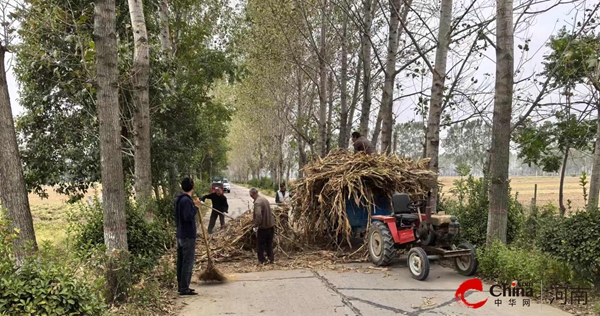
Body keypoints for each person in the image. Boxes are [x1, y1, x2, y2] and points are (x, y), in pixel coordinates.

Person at [174, 177, 200, 296]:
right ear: (192, 187)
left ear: (182, 187)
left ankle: (182, 286)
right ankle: (184, 288)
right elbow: (187, 217)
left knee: (181, 261)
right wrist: (196, 207)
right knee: (187, 262)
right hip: (187, 235)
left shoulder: (179, 199)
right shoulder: (186, 201)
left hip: (180, 234)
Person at [250, 188, 275, 264]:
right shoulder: (264, 199)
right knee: (269, 244)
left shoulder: (257, 202)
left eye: (251, 195)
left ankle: (262, 260)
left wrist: (256, 225)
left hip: (263, 227)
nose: (251, 196)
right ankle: (271, 259)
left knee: (260, 245)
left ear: (253, 194)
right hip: (271, 226)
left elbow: (258, 215)